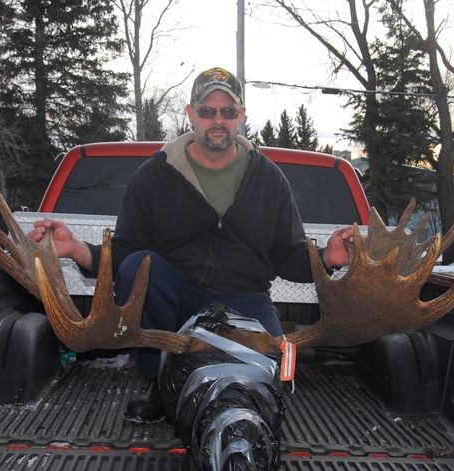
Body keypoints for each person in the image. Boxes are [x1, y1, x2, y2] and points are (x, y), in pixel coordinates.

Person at [29, 67, 351, 421]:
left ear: (241, 116)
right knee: (140, 267)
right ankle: (160, 382)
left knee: (270, 373)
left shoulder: (269, 179)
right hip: (178, 300)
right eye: (207, 110)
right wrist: (77, 249)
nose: (218, 120)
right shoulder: (155, 175)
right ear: (190, 114)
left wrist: (327, 258)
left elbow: (287, 256)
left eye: (228, 112)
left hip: (244, 300)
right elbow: (126, 254)